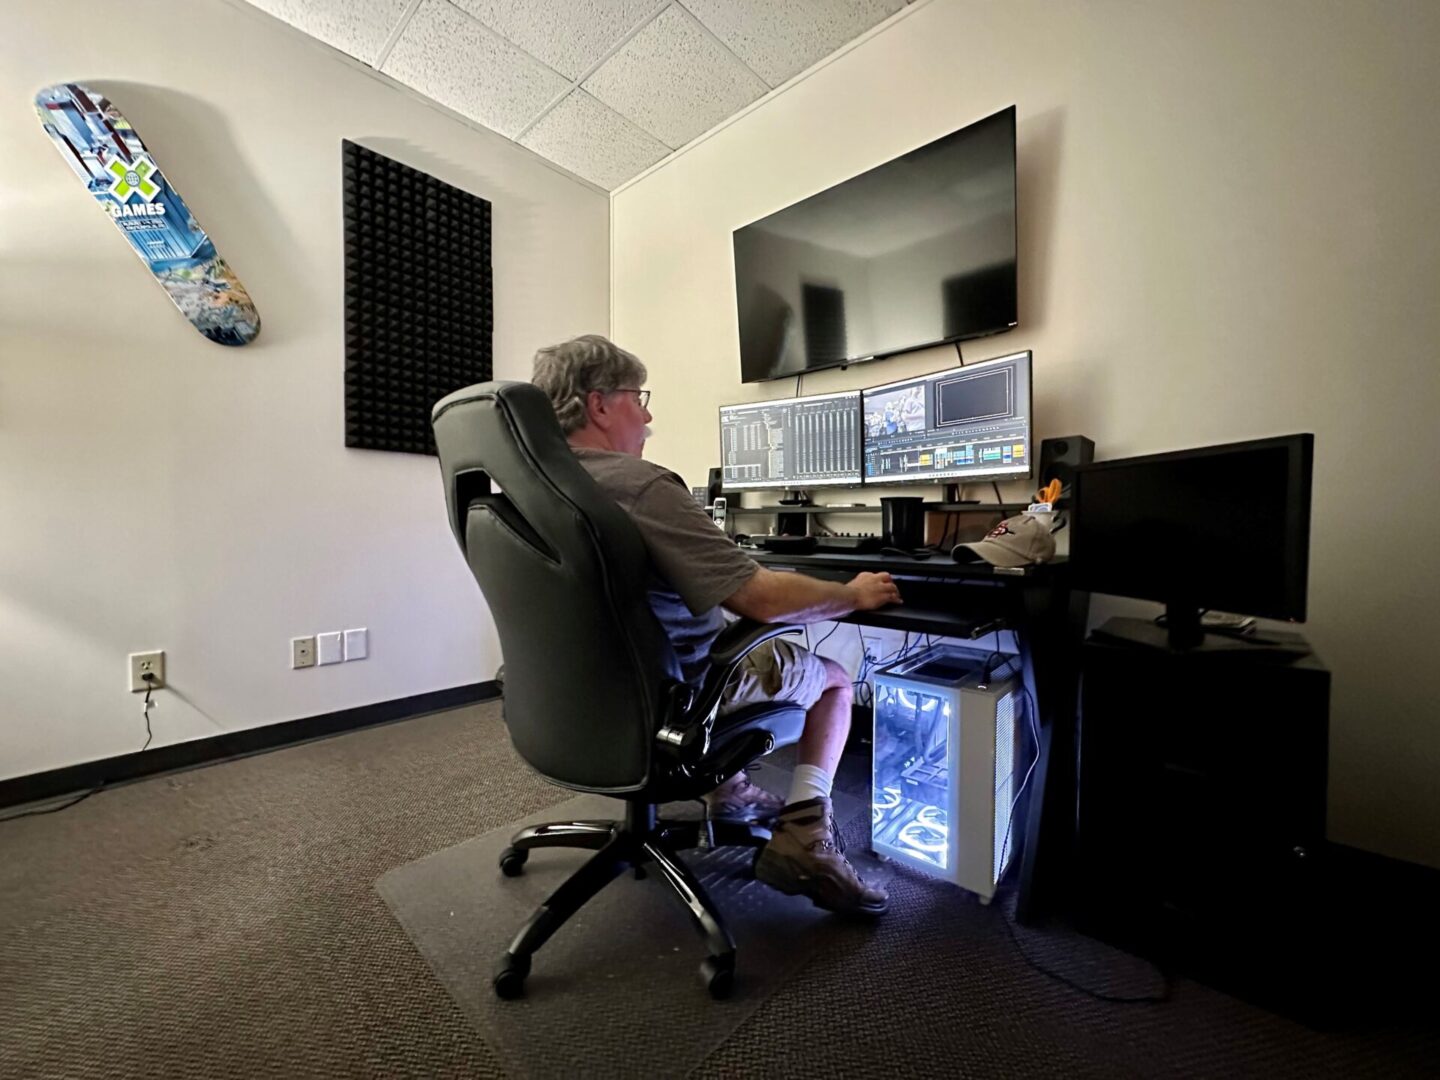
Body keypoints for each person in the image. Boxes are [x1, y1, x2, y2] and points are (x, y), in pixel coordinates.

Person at [532, 334, 901, 917]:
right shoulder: (641, 486)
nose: (648, 414)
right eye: (637, 397)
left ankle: (727, 794)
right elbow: (759, 599)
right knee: (834, 677)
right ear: (599, 404)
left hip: (570, 698)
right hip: (677, 697)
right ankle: (806, 837)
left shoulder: (531, 487)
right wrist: (851, 593)